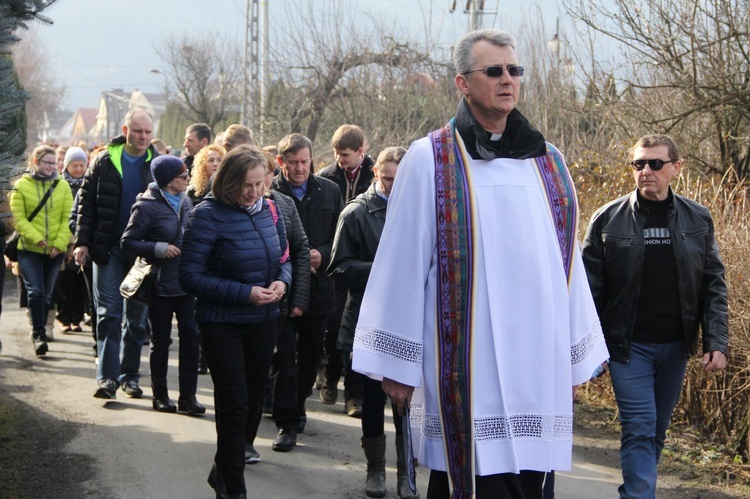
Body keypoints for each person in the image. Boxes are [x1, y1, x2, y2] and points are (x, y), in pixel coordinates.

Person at [352, 29, 609, 498]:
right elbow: (401, 263)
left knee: (533, 483)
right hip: (469, 367)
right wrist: (397, 363)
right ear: (463, 83)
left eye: (514, 70)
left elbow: (566, 265)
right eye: (494, 71)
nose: (507, 79)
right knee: (469, 479)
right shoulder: (430, 159)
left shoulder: (548, 162)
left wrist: (573, 358)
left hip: (537, 366)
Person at [581, 133, 729, 499]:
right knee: (640, 426)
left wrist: (717, 342)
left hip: (677, 347)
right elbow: (587, 292)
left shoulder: (698, 218)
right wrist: (589, 350)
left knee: (657, 429)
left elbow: (713, 284)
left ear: (675, 168)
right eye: (639, 164)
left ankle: (637, 489)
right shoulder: (607, 220)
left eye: (655, 164)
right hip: (628, 348)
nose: (646, 171)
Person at [179, 144, 291, 499]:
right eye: (246, 185)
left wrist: (282, 282)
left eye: (259, 184)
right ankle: (233, 490)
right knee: (234, 404)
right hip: (221, 323)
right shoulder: (206, 215)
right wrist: (244, 293)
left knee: (255, 402)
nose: (253, 192)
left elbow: (285, 258)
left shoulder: (270, 210)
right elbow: (190, 277)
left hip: (264, 320)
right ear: (227, 180)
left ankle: (222, 471)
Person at [328, 146, 419, 498]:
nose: (395, 187)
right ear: (375, 174)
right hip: (368, 319)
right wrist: (384, 270)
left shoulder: (419, 209)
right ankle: (376, 470)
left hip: (409, 321)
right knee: (371, 399)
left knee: (408, 400)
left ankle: (405, 473)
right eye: (387, 178)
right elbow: (339, 268)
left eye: (401, 180)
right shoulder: (356, 213)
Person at [74, 107, 158, 400]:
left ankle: (130, 377)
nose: (144, 137)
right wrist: (82, 243)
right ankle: (107, 378)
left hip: (142, 255)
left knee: (136, 319)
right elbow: (87, 205)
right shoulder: (103, 161)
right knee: (109, 313)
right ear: (126, 131)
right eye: (139, 131)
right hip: (107, 250)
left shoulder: (159, 164)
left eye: (148, 132)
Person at [270, 133, 343, 440]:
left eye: (305, 162)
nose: (300, 168)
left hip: (319, 286)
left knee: (311, 356)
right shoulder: (269, 192)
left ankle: (298, 403)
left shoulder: (328, 190)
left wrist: (322, 254)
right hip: (281, 286)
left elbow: (340, 236)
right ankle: (286, 421)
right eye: (293, 162)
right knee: (284, 355)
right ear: (280, 162)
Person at [121, 155, 205, 415]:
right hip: (159, 283)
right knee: (161, 340)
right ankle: (160, 396)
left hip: (186, 281)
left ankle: (188, 397)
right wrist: (158, 248)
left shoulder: (186, 200)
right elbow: (127, 241)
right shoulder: (146, 206)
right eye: (183, 175)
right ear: (169, 181)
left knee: (191, 338)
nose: (188, 178)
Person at [248, 150, 310, 455]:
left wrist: (295, 294)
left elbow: (298, 250)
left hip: (279, 301)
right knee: (250, 371)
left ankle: (287, 424)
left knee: (287, 362)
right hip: (242, 304)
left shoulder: (283, 205)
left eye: (268, 175)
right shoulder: (223, 207)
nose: (263, 183)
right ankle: (243, 435)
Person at [316, 124, 373, 415]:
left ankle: (355, 393)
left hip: (363, 262)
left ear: (361, 152)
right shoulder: (326, 178)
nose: (341, 160)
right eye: (338, 155)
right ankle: (330, 375)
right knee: (334, 325)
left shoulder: (375, 177)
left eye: (346, 155)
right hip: (336, 263)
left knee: (359, 333)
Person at [10, 144, 73, 356]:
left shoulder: (62, 185)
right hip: (29, 249)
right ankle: (39, 334)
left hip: (55, 250)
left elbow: (69, 218)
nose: (50, 167)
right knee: (35, 292)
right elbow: (18, 219)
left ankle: (42, 330)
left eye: (53, 163)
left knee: (47, 295)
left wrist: (58, 243)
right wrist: (38, 240)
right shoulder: (20, 185)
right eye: (46, 162)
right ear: (35, 162)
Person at [55, 146, 89, 333]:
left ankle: (77, 318)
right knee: (64, 281)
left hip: (83, 239)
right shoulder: (60, 184)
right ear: (67, 166)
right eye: (74, 165)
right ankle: (63, 317)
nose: (77, 169)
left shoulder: (90, 183)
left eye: (81, 165)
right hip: (65, 239)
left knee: (80, 284)